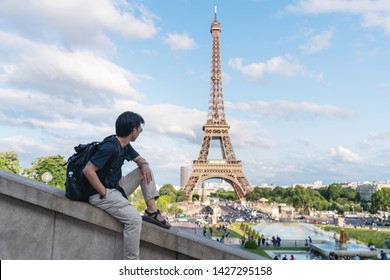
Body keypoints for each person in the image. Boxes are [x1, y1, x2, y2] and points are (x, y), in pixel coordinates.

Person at [83, 111, 171, 260]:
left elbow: (140, 159)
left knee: (145, 170)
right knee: (134, 220)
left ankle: (152, 211)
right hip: (100, 193)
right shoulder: (110, 147)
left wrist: (143, 164)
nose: (140, 132)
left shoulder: (124, 144)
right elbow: (88, 170)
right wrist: (104, 193)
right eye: (140, 129)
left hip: (116, 186)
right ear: (133, 131)